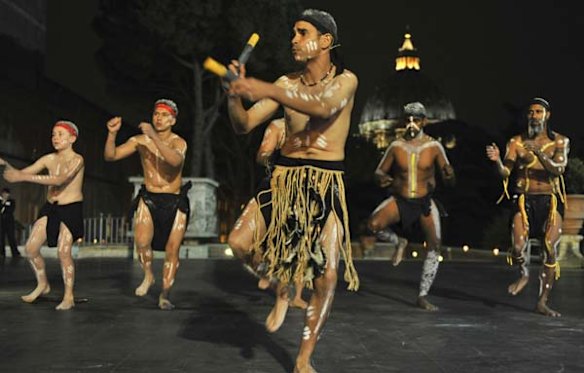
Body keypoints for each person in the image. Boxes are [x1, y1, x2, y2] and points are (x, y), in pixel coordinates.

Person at [225, 8, 359, 372]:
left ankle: (303, 359)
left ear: (325, 40)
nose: (294, 39)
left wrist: (264, 87)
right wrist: (234, 95)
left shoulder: (345, 81)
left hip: (324, 183)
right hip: (283, 180)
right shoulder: (286, 84)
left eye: (302, 33)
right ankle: (281, 284)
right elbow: (245, 125)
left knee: (327, 276)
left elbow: (325, 107)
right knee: (237, 242)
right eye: (294, 33)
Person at [367, 102, 455, 311]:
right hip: (401, 200)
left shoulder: (434, 146)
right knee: (373, 224)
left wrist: (449, 174)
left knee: (435, 244)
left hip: (424, 201)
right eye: (407, 120)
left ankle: (423, 295)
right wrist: (383, 178)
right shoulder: (396, 146)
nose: (411, 124)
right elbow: (378, 171)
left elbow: (449, 176)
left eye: (416, 120)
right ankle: (399, 242)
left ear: (424, 121)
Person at [104, 99, 191, 310]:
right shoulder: (140, 140)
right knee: (141, 242)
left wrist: (153, 136)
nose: (158, 118)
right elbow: (111, 156)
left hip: (175, 201)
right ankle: (149, 275)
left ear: (172, 120)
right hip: (150, 198)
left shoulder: (179, 142)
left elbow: (174, 162)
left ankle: (164, 295)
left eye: (163, 115)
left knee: (172, 251)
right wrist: (112, 134)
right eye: (156, 114)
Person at [486, 97, 568, 317]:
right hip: (524, 200)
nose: (534, 116)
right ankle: (523, 274)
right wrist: (497, 162)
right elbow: (506, 172)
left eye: (539, 112)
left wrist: (539, 153)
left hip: (550, 200)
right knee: (517, 247)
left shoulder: (560, 141)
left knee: (550, 248)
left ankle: (542, 301)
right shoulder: (515, 142)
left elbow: (559, 169)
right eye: (531, 112)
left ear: (547, 115)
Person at [1, 120, 85, 310]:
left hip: (71, 208)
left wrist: (23, 177)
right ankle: (43, 284)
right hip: (51, 207)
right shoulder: (48, 159)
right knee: (30, 248)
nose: (55, 138)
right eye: (53, 134)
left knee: (64, 251)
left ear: (72, 138)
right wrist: (6, 165)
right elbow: (22, 173)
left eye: (60, 134)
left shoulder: (77, 159)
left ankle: (68, 296)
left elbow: (61, 179)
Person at [254, 118, 308, 309]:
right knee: (271, 234)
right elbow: (261, 156)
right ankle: (266, 269)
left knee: (303, 241)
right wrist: (277, 154)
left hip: (305, 189)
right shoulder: (278, 126)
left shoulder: (316, 125)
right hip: (277, 187)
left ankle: (297, 295)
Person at [0, 187, 21, 258]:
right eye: (4, 193)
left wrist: (5, 204)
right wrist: (3, 203)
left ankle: (15, 253)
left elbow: (11, 210)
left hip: (9, 222)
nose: (5, 195)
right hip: (1, 222)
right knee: (1, 238)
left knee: (11, 237)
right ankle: (2, 253)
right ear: (2, 193)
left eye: (7, 193)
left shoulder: (12, 201)